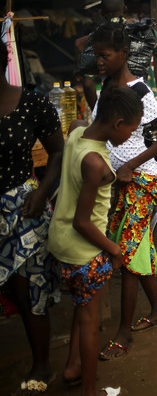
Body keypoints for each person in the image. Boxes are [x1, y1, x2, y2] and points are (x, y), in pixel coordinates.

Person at [89, 23, 157, 361]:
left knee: (126, 255)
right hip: (118, 182)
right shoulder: (107, 84)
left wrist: (130, 165)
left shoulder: (138, 89)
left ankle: (124, 334)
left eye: (104, 55)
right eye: (97, 55)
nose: (99, 60)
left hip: (141, 180)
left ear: (124, 55)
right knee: (137, 247)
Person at [48, 87, 143, 396]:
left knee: (82, 304)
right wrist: (115, 250)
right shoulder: (95, 164)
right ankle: (89, 391)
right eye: (131, 129)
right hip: (84, 248)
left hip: (61, 240)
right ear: (117, 123)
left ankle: (73, 366)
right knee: (90, 322)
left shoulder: (77, 132)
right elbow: (83, 221)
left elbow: (76, 123)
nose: (130, 135)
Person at [0, 41, 64, 394]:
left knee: (29, 292)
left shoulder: (30, 101)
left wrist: (42, 193)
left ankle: (42, 365)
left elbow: (57, 150)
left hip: (25, 207)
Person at [77, 0, 157, 109]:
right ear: (125, 9)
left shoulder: (98, 37)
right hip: (145, 105)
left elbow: (88, 84)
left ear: (102, 13)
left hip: (113, 108)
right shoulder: (142, 30)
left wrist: (96, 113)